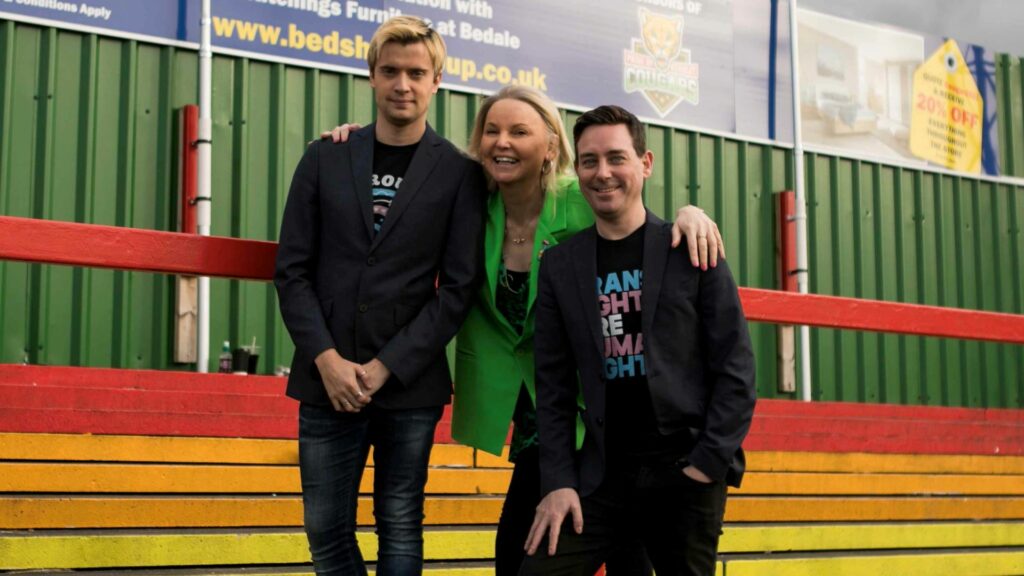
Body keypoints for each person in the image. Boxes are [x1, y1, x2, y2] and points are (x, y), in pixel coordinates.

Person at [326, 87, 725, 575]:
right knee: (530, 553)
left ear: (552, 146)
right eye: (491, 131)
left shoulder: (582, 202)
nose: (501, 142)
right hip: (530, 408)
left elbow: (636, 220)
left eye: (519, 131)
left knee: (608, 554)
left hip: (595, 413)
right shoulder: (470, 203)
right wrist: (356, 142)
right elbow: (413, 174)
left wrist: (691, 213)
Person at [274, 16, 486, 576]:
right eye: (390, 71)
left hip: (409, 385)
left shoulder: (461, 176)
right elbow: (291, 271)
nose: (403, 84)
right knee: (325, 533)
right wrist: (328, 361)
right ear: (371, 75)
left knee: (399, 526)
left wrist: (386, 367)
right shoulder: (324, 156)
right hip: (326, 380)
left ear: (437, 80)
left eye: (417, 73)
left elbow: (458, 288)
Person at [521, 105, 756, 576]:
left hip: (683, 470)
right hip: (602, 474)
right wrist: (559, 481)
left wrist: (707, 465)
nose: (602, 173)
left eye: (616, 158)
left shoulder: (691, 247)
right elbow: (553, 387)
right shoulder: (560, 266)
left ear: (645, 164)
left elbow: (736, 366)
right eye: (589, 161)